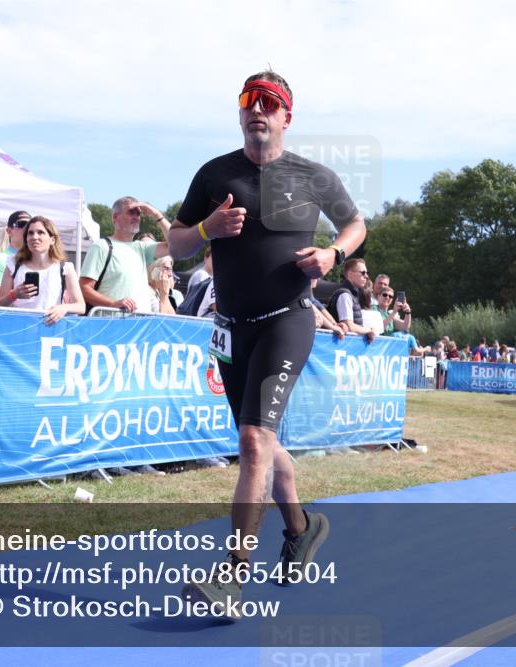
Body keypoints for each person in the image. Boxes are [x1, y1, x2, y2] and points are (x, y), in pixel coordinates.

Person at [167, 70, 365, 617]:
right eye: (248, 100)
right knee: (262, 442)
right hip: (231, 327)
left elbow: (355, 224)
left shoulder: (313, 175)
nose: (258, 109)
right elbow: (175, 243)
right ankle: (301, 528)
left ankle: (233, 575)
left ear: (286, 116)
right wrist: (206, 230)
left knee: (254, 441)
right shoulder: (214, 173)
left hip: (287, 320)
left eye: (269, 102)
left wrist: (333, 254)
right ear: (239, 112)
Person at [79, 197, 171, 313]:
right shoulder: (101, 247)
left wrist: (157, 214)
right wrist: (112, 304)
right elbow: (84, 288)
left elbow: (175, 244)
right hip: (112, 322)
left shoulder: (142, 248)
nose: (136, 217)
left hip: (141, 323)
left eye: (138, 214)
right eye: (131, 212)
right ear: (115, 217)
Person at [0, 216, 85, 325]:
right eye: (30, 233)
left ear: (52, 240)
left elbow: (81, 306)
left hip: (49, 328)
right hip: (19, 327)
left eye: (40, 232)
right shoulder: (13, 264)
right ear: (26, 239)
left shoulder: (65, 268)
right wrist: (14, 295)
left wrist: (64, 308)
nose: (34, 237)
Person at [0, 211, 30, 304]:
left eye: (29, 225)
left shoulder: (36, 259)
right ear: (9, 231)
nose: (26, 228)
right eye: (21, 224)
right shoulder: (1, 260)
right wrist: (14, 295)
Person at [329, 258, 377, 342]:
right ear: (350, 274)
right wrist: (369, 330)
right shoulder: (345, 295)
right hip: (339, 345)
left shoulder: (352, 295)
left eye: (367, 273)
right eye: (363, 273)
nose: (366, 276)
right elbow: (349, 326)